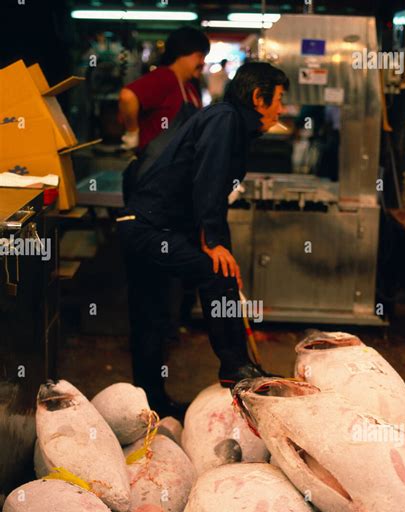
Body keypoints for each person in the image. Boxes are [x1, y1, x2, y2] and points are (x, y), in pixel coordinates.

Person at [117, 62, 289, 417]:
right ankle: (235, 368)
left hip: (147, 227)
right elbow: (207, 181)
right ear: (259, 97)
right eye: (279, 99)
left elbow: (211, 194)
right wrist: (213, 242)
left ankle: (151, 405)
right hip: (148, 228)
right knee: (214, 274)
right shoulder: (225, 119)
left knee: (152, 317)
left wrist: (221, 246)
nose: (281, 109)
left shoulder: (230, 125)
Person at [118, 27, 210, 151]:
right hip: (156, 166)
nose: (203, 63)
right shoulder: (166, 77)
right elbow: (127, 96)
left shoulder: (188, 87)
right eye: (200, 56)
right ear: (181, 54)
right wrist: (132, 133)